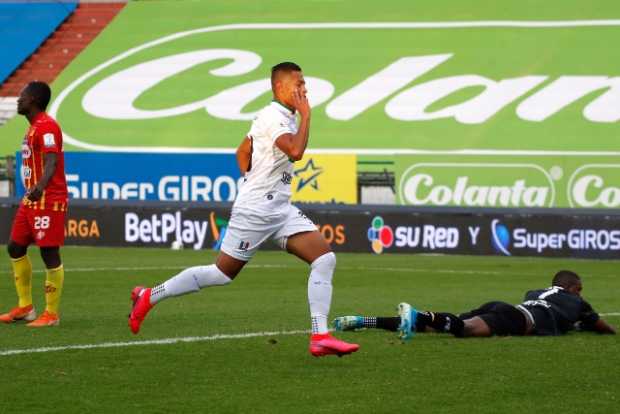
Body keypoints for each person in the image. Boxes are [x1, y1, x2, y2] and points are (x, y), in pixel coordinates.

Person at [128, 62, 359, 357]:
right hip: (257, 211)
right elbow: (296, 152)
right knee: (221, 274)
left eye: (305, 84)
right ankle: (150, 296)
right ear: (279, 87)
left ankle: (320, 336)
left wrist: (253, 177)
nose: (304, 89)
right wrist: (307, 116)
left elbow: (243, 151)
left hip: (280, 209)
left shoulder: (282, 116)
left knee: (325, 259)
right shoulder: (273, 116)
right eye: (298, 84)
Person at [333, 270, 616, 340]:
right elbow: (600, 326)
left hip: (506, 307)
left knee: (439, 327)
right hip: (518, 319)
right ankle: (417, 313)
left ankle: (362, 321)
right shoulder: (575, 301)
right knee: (465, 330)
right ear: (574, 288)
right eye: (579, 291)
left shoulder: (537, 290)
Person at [0, 81, 68, 327]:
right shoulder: (32, 129)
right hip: (31, 199)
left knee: (49, 251)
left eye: (23, 96)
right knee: (15, 248)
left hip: (48, 199)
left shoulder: (47, 126)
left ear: (34, 101)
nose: (18, 100)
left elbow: (52, 161)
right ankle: (26, 307)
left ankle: (51, 314)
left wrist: (40, 188)